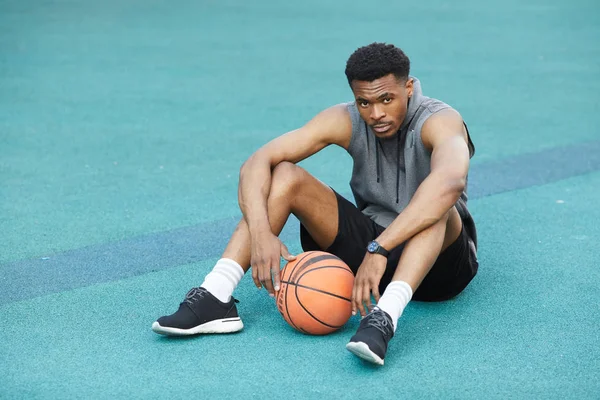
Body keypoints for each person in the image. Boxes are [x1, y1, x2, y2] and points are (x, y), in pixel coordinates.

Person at [152, 43, 478, 366]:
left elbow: (450, 183)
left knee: (438, 205)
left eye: (386, 99)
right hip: (370, 249)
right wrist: (261, 233)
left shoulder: (440, 120)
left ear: (408, 88)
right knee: (285, 175)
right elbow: (256, 162)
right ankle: (215, 294)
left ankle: (383, 319)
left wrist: (380, 248)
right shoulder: (346, 119)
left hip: (440, 266)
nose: (376, 114)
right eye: (364, 102)